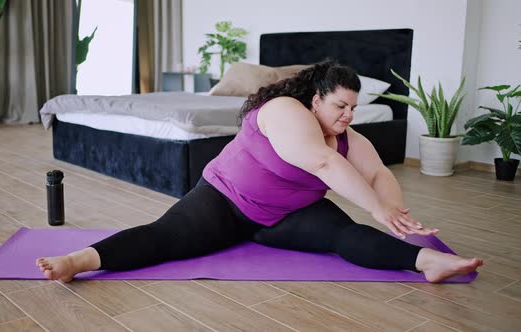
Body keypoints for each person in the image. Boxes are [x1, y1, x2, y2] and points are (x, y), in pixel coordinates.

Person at [36, 60, 483, 283]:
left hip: (285, 218)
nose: (348, 115)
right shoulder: (285, 109)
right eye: (339, 105)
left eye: (353, 107)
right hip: (224, 202)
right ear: (316, 99)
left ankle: (429, 264)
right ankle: (79, 261)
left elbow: (379, 175)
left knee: (346, 237)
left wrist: (394, 210)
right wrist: (380, 210)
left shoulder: (353, 138)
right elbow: (324, 164)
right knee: (164, 238)